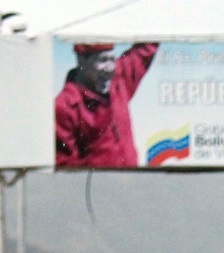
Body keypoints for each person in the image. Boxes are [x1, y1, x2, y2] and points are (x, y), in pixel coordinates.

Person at [54, 41, 159, 169]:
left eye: (112, 59)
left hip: (132, 182)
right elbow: (66, 168)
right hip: (98, 187)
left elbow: (147, 47)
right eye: (103, 60)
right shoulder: (64, 107)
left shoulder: (119, 79)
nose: (110, 68)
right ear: (81, 61)